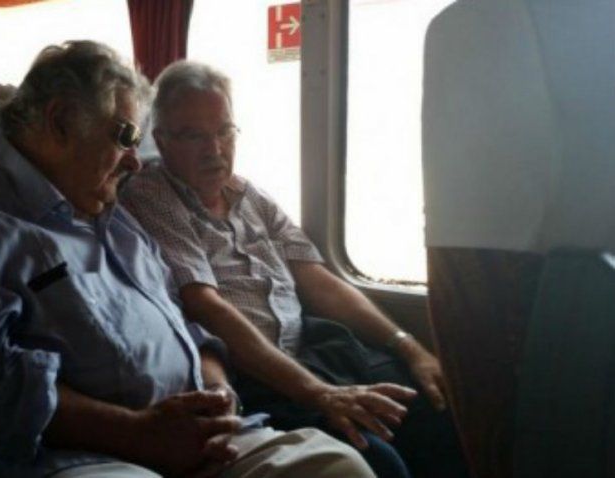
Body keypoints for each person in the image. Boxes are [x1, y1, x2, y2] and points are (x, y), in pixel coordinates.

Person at [0, 41, 376, 478]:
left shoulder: (115, 219)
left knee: (337, 466)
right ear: (60, 121)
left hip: (195, 439)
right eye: (125, 137)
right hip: (74, 458)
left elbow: (187, 326)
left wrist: (217, 394)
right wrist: (138, 433)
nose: (136, 161)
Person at [120, 60, 469, 478]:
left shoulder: (251, 195)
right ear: (161, 140)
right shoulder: (152, 196)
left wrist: (409, 346)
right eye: (194, 135)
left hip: (314, 348)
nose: (215, 149)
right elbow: (205, 306)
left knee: (440, 410)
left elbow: (317, 279)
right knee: (378, 459)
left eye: (224, 131)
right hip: (253, 374)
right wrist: (320, 394)